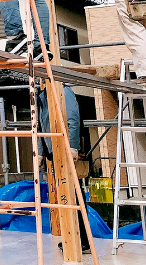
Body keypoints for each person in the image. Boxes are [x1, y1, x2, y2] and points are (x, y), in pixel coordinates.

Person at [37, 85, 91, 254]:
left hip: (64, 149)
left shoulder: (63, 90)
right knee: (66, 194)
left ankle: (82, 239)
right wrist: (40, 153)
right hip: (53, 152)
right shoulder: (41, 97)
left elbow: (73, 118)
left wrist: (73, 146)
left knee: (74, 194)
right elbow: (40, 126)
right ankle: (72, 236)